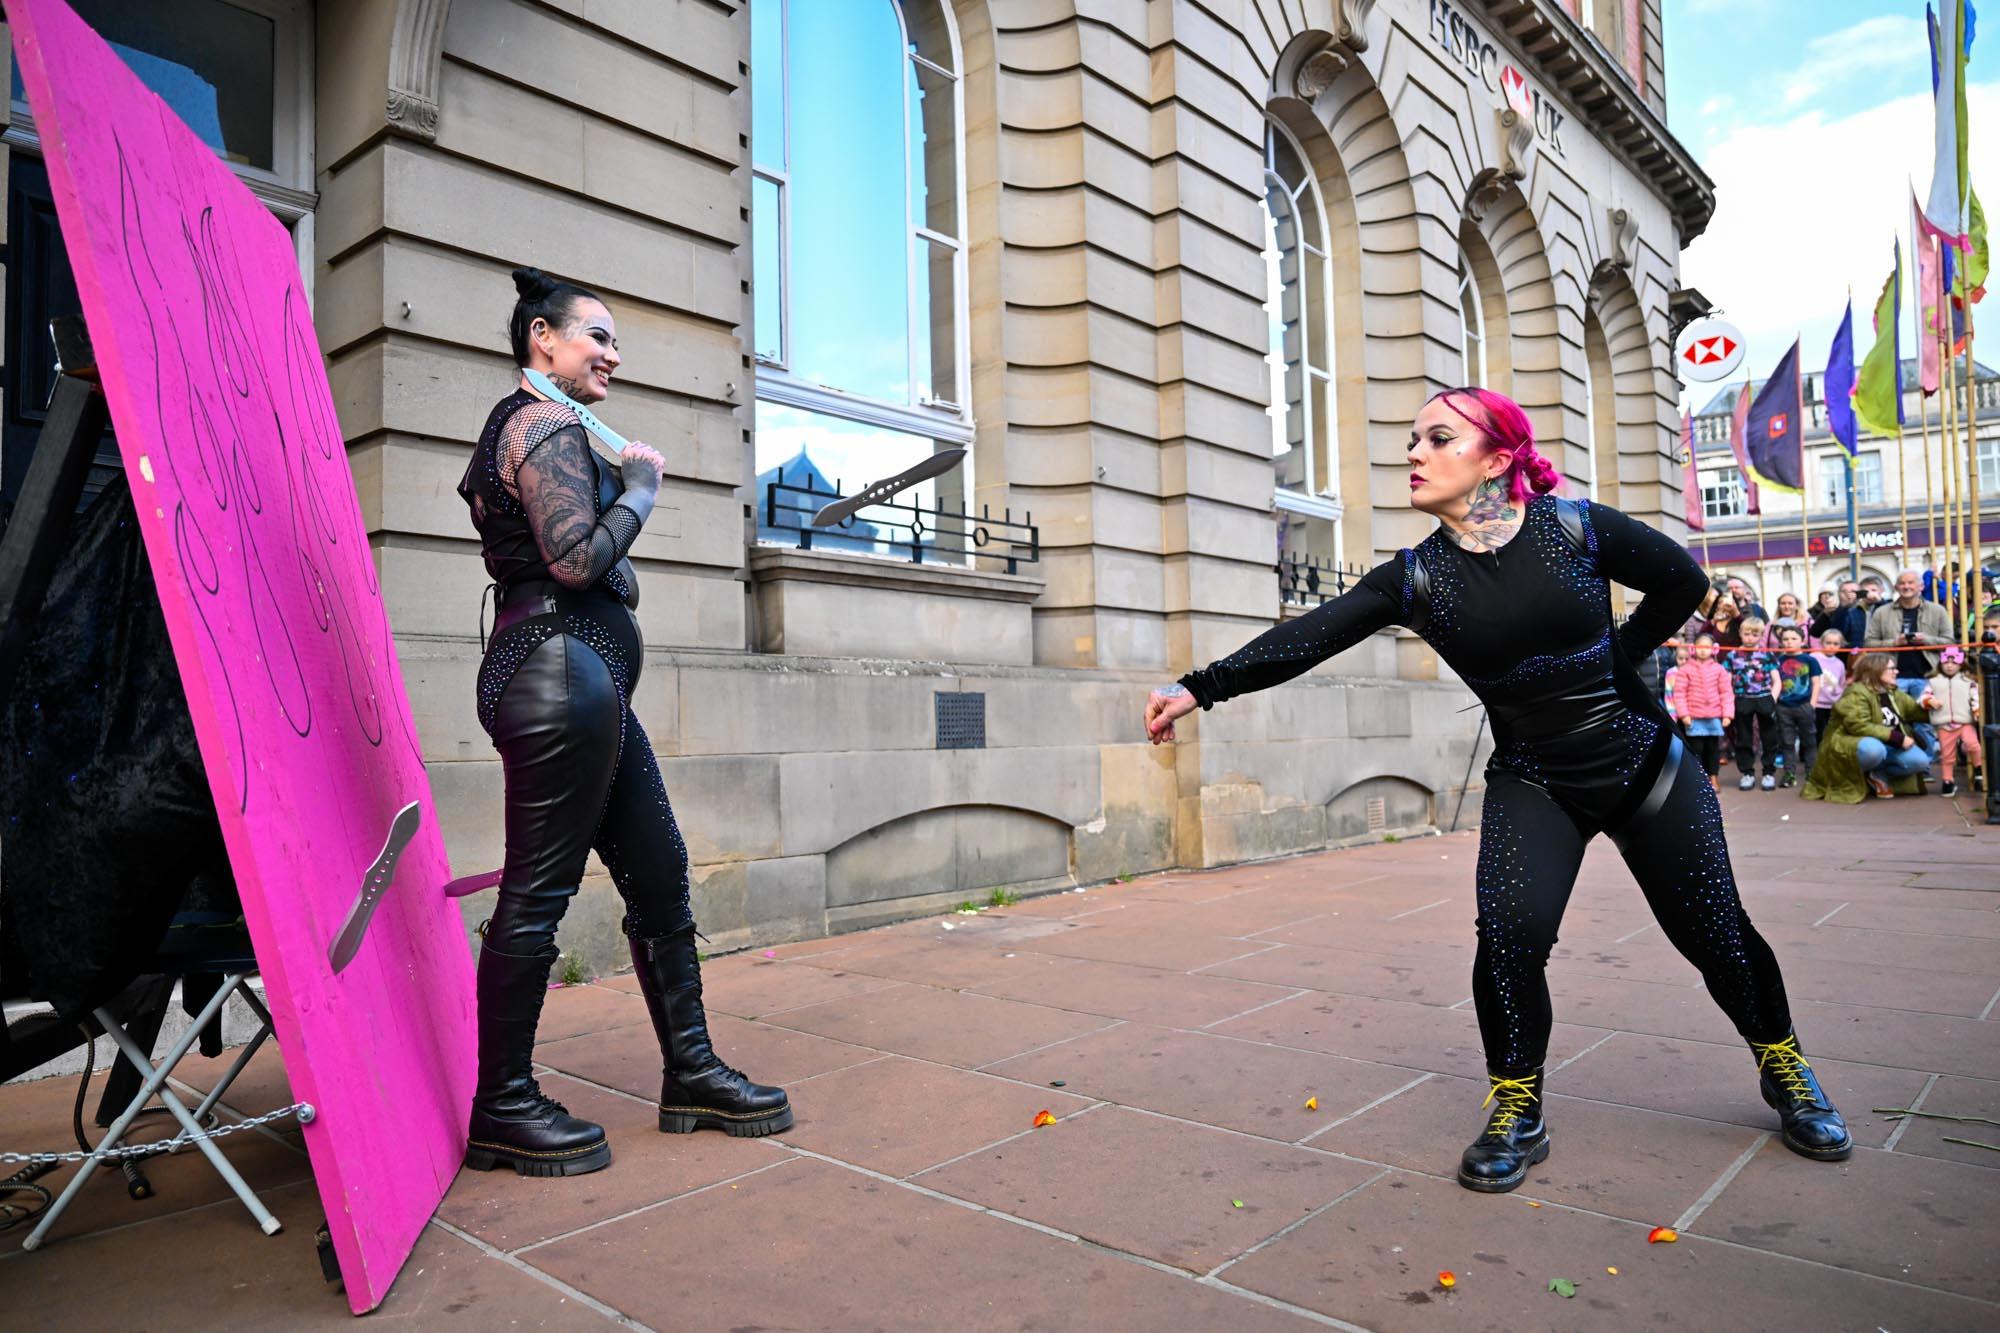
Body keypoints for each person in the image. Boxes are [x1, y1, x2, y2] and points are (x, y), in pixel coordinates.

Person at [1145, 386, 1849, 1192]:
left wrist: (1621, 655)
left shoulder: (1578, 527)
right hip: (1536, 778)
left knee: (1716, 933)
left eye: (1437, 438)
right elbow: (1308, 636)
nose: (1413, 452)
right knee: (1509, 934)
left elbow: (1683, 583)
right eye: (1413, 438)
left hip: (1644, 766)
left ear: (1498, 457)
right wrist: (1200, 688)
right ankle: (1518, 1104)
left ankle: (1784, 1066)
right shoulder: (1416, 578)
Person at [455, 268, 792, 1178]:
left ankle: (691, 1072)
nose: (612, 353)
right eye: (595, 335)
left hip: (584, 681)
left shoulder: (545, 427)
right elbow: (571, 558)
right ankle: (503, 1103)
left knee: (660, 867)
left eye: (614, 340)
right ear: (542, 340)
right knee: (539, 889)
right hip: (559, 678)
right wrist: (640, 487)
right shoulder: (541, 423)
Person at [1804, 655, 1937, 802]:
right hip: (1851, 743)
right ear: (1875, 670)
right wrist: (1897, 737)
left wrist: (1930, 706)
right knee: (1874, 750)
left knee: (1920, 761)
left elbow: (1914, 711)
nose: (1897, 672)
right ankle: (1856, 777)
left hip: (1887, 744)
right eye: (1892, 668)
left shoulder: (1893, 692)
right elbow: (1858, 725)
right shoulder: (1856, 692)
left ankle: (1878, 775)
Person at [1866, 570, 1952, 754]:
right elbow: (1869, 643)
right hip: (1892, 677)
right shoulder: (1882, 612)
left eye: (1911, 583)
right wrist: (1894, 643)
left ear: (1921, 586)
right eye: (1902, 583)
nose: (1906, 587)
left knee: (1925, 723)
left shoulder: (1937, 611)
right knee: (1891, 721)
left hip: (1927, 675)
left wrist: (1926, 639)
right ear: (1896, 587)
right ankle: (1895, 763)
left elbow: (1950, 642)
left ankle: (1925, 767)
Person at [1727, 616, 1781, 790]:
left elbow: (1777, 680)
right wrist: (1730, 699)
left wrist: (1772, 698)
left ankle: (1768, 772)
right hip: (1742, 699)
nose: (1750, 637)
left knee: (1769, 736)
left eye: (1754, 634)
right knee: (1743, 737)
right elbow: (1726, 680)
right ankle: (1747, 773)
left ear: (1761, 635)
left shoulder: (1767, 654)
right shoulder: (1732, 655)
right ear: (1741, 633)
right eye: (1747, 634)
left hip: (1764, 698)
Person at [1674, 634, 1734, 791]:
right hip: (1693, 718)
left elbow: (1726, 692)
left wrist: (1727, 714)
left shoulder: (1719, 669)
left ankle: (1713, 777)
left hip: (1713, 717)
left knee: (1713, 750)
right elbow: (1679, 693)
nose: (1703, 650)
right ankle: (1698, 778)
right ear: (1693, 648)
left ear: (1713, 649)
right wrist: (1684, 714)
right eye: (1700, 646)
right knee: (1696, 749)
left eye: (1706, 647)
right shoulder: (1686, 669)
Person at [1926, 647, 1983, 796]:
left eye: (1954, 662)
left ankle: (1979, 769)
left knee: (1973, 744)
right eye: (1946, 662)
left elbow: (1975, 696)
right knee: (1947, 755)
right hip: (1944, 724)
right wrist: (1929, 701)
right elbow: (1923, 697)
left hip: (1964, 721)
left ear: (1961, 664)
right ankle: (1947, 782)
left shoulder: (1968, 681)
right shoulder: (1933, 681)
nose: (1950, 666)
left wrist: (1976, 709)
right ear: (1941, 663)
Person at [1770, 626, 1820, 789]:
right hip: (1784, 707)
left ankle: (1812, 772)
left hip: (1804, 706)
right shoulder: (1777, 660)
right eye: (1785, 639)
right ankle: (1789, 773)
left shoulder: (1810, 660)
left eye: (1793, 639)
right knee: (1787, 742)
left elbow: (1816, 682)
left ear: (1802, 641)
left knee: (1809, 741)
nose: (1789, 642)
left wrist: (1812, 704)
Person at [1810, 629, 1849, 740]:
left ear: (1840, 645)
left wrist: (1839, 700)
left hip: (1831, 705)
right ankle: (1808, 756)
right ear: (1822, 643)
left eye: (1836, 644)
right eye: (1828, 643)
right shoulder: (1814, 657)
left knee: (1829, 733)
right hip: (1814, 703)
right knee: (1813, 732)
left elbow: (1841, 684)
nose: (1831, 646)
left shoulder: (1840, 664)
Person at [1821, 580, 1870, 653]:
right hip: (1840, 654)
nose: (1848, 594)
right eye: (1844, 591)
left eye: (1853, 591)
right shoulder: (1832, 610)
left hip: (1863, 653)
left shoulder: (1866, 609)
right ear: (1839, 594)